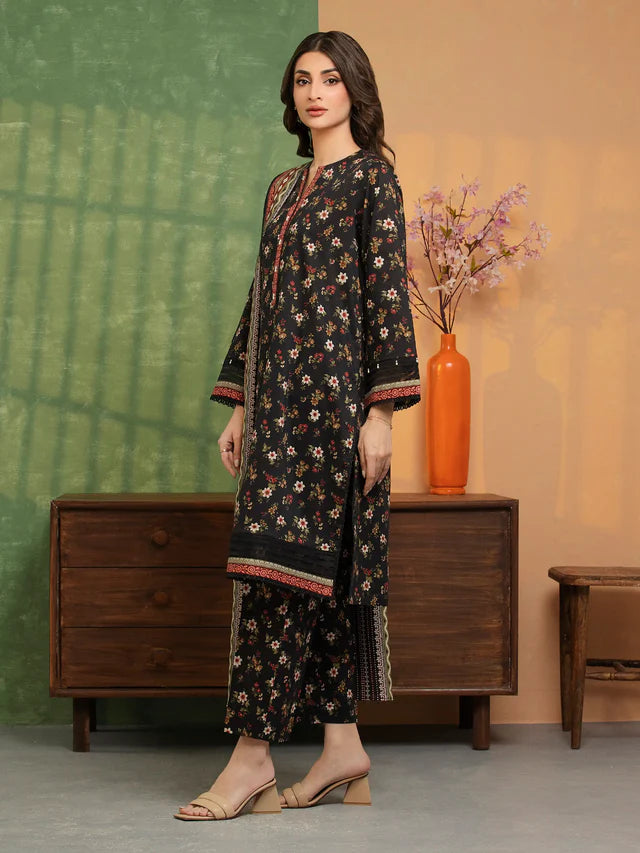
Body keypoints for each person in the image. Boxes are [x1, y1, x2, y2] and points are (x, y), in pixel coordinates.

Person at [175, 30, 420, 821]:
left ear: (355, 90)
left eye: (331, 79)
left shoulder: (373, 181)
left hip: (336, 420)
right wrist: (241, 403)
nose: (315, 92)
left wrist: (380, 417)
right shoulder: (284, 189)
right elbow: (263, 300)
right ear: (292, 97)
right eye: (303, 80)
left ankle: (250, 758)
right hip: (277, 413)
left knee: (284, 580)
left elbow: (387, 301)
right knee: (301, 580)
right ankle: (342, 749)